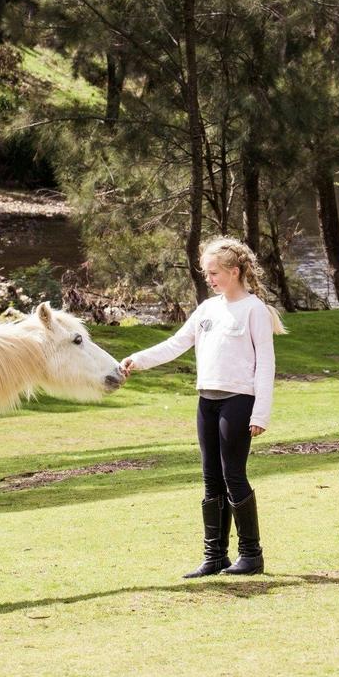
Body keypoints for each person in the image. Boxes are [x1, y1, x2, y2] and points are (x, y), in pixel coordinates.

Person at [121, 237, 287, 577]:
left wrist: (261, 413)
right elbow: (175, 343)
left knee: (233, 476)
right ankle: (215, 556)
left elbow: (266, 365)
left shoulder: (254, 310)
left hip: (238, 402)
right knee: (211, 479)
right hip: (206, 402)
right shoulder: (207, 310)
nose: (208, 279)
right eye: (206, 273)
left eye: (214, 273)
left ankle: (251, 555)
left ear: (235, 271)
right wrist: (137, 360)